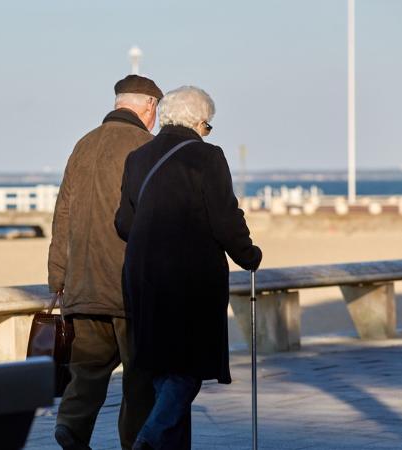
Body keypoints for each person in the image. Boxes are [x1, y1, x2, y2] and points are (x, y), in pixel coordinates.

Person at [114, 86, 263, 450]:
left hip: (144, 277)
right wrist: (248, 255)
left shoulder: (138, 157)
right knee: (187, 370)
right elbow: (225, 218)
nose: (208, 132)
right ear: (198, 121)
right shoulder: (206, 157)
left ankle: (166, 443)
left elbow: (124, 223)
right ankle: (150, 436)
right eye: (208, 126)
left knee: (163, 366)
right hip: (190, 281)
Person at [48, 74, 162, 450]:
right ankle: (135, 442)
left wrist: (58, 279)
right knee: (139, 376)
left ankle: (71, 427)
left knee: (88, 371)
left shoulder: (83, 145)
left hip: (83, 285)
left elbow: (62, 213)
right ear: (148, 106)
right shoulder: (146, 146)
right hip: (129, 288)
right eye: (155, 109)